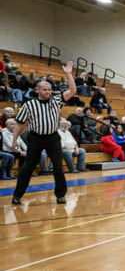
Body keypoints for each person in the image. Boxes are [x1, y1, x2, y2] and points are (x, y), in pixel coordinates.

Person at [9, 61, 76, 204]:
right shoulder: (29, 105)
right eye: (45, 90)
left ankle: (60, 195)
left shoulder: (57, 100)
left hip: (53, 138)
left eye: (49, 90)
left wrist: (69, 74)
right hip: (36, 138)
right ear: (38, 90)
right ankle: (17, 195)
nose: (48, 92)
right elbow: (20, 124)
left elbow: (72, 91)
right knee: (27, 167)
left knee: (58, 167)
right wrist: (14, 141)